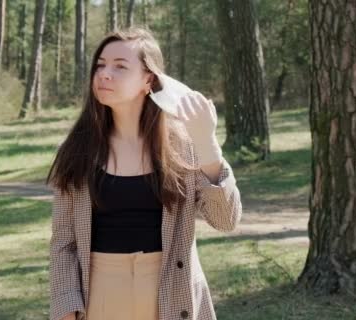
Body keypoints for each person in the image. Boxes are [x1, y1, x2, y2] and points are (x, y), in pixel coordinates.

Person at [46, 27, 242, 320]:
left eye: (120, 66)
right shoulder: (77, 149)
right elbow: (64, 242)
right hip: (99, 296)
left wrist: (208, 146)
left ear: (148, 79)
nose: (104, 74)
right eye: (100, 65)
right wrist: (66, 305)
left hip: (173, 297)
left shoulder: (185, 145)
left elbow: (226, 220)